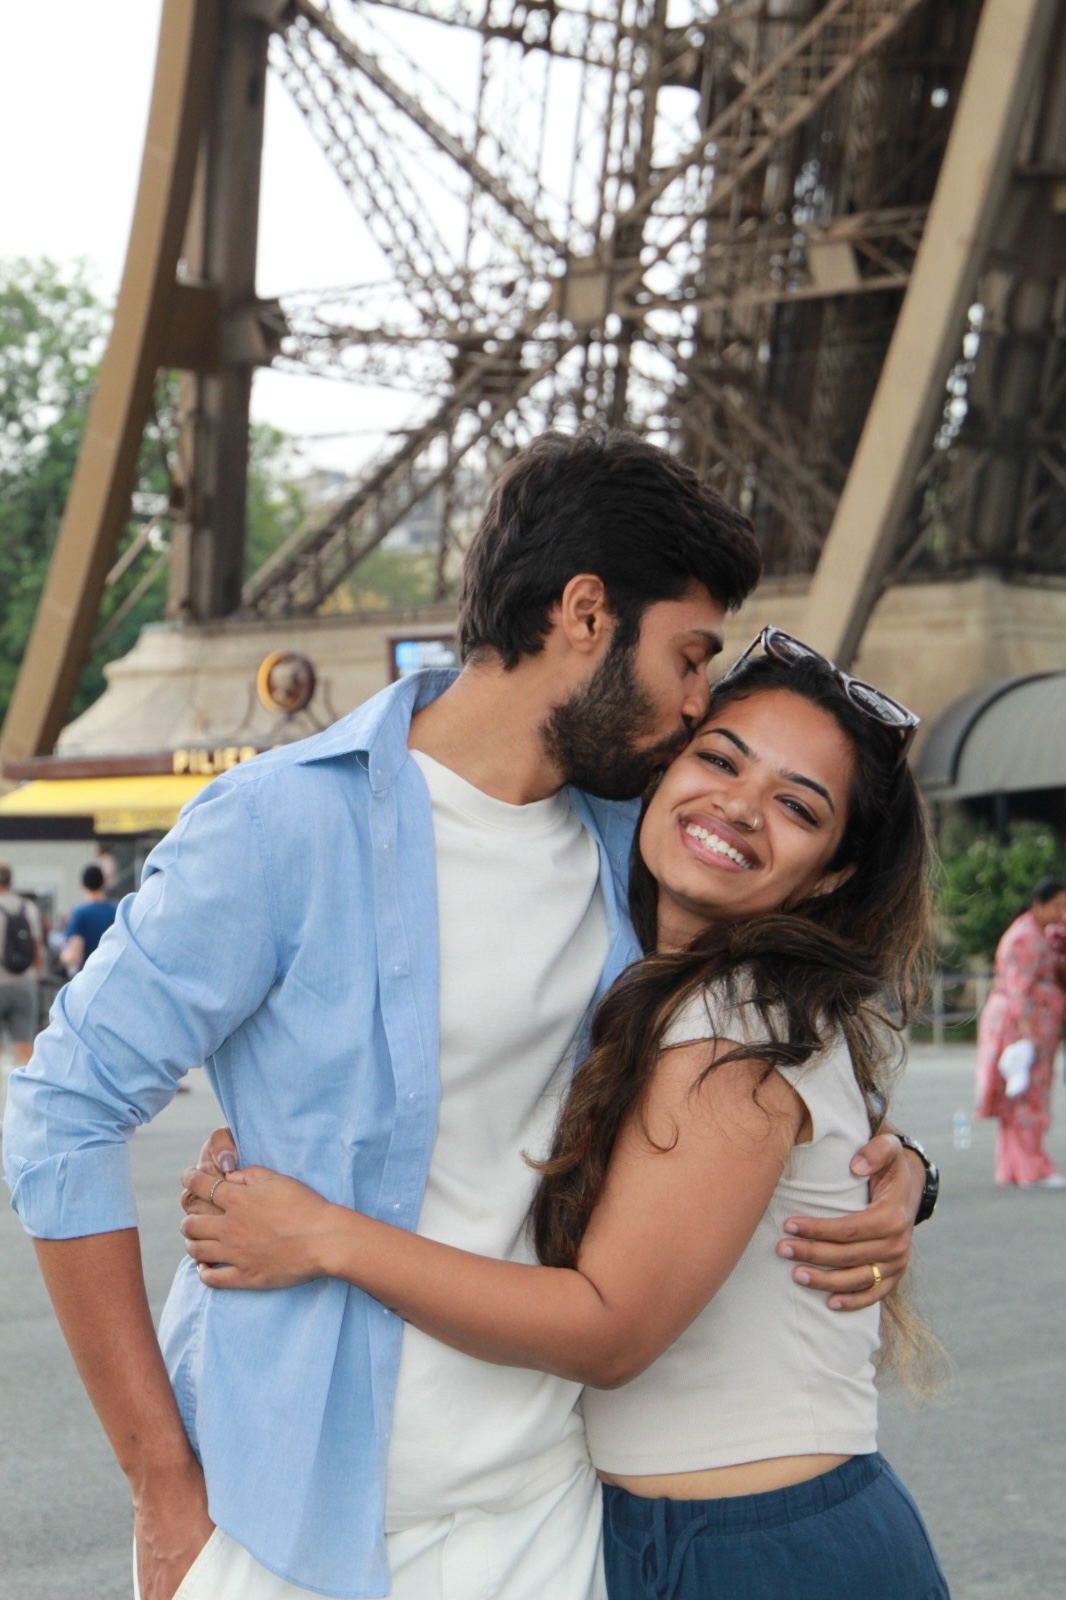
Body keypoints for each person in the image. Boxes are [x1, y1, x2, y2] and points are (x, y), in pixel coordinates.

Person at [4, 433, 931, 1600]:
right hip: (286, 1511)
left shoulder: (631, 842)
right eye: (690, 657)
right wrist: (157, 1480)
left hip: (544, 1509)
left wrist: (893, 1172)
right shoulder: (281, 828)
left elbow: (768, 1022)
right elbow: (61, 1114)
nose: (701, 703)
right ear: (585, 614)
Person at [182, 636, 948, 1600]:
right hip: (676, 1532)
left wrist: (324, 1238)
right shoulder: (649, 977)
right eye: (719, 757)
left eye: (799, 806)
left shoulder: (735, 1026)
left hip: (747, 1551)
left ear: (833, 874)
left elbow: (609, 1330)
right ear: (667, 766)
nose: (740, 808)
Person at [975, 876, 1066, 1187]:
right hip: (1021, 1027)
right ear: (1038, 905)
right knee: (1027, 1097)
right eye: (1056, 906)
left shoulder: (1042, 933)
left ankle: (1015, 1166)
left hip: (1033, 1026)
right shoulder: (1024, 938)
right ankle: (1031, 1168)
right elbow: (1018, 990)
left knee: (1021, 1097)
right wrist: (1027, 1035)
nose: (1061, 912)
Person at [0, 864, 43, 1066]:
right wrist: (35, 977)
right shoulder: (29, 908)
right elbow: (38, 948)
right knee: (26, 1047)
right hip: (25, 984)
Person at [61, 863, 118, 975]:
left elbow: (75, 956)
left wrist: (62, 955)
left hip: (89, 977)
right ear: (103, 882)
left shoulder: (79, 914)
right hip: (113, 975)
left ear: (82, 885)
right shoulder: (117, 911)